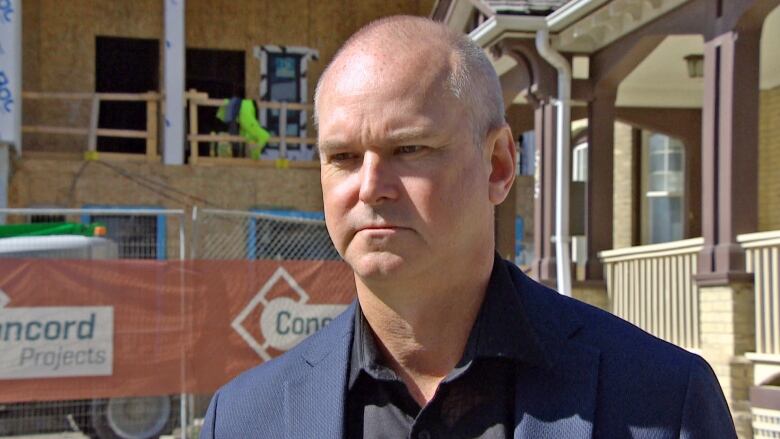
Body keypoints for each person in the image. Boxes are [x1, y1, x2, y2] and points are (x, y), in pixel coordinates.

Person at [201, 16, 736, 438]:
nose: (368, 186)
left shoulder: (663, 403)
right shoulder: (244, 419)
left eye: (409, 149)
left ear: (499, 165)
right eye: (342, 156)